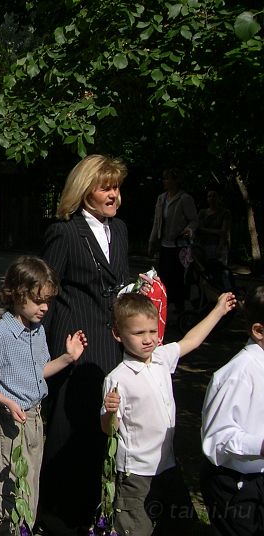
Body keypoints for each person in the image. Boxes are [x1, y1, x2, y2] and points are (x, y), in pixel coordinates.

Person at [37, 154, 132, 532]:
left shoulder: (119, 230)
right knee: (69, 430)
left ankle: (95, 510)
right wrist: (37, 351)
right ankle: (57, 518)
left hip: (112, 346)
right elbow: (44, 291)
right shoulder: (64, 232)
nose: (113, 195)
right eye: (105, 187)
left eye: (116, 187)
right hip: (74, 347)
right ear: (84, 190)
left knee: (104, 427)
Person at [102, 291, 236, 535]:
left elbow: (191, 340)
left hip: (168, 465)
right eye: (138, 333)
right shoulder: (117, 378)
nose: (148, 339)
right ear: (118, 334)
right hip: (137, 474)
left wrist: (218, 310)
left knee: (180, 525)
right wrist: (110, 412)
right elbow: (109, 429)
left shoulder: (161, 358)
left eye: (152, 331)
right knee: (136, 529)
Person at [0, 257, 87, 534]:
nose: (44, 307)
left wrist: (67, 358)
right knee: (10, 498)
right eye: (38, 301)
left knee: (30, 494)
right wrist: (7, 401)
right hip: (8, 424)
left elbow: (38, 372)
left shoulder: (37, 331)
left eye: (47, 301)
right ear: (16, 294)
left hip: (34, 420)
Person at [200, 285, 264, 536]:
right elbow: (217, 439)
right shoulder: (238, 373)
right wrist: (260, 446)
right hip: (234, 484)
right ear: (259, 331)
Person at [148, 168, 198, 314]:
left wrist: (189, 229)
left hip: (179, 246)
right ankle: (163, 306)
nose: (165, 181)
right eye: (164, 178)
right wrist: (152, 242)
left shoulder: (185, 199)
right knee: (163, 277)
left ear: (176, 181)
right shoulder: (161, 198)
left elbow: (194, 220)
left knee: (178, 279)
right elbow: (157, 222)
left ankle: (179, 308)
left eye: (168, 178)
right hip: (164, 245)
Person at [196, 190, 232, 265]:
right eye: (209, 196)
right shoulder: (202, 212)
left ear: (218, 198)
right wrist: (216, 231)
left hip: (219, 245)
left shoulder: (225, 212)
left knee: (219, 268)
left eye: (214, 196)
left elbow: (224, 232)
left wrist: (220, 247)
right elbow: (199, 229)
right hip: (203, 245)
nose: (212, 198)